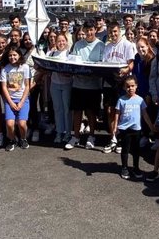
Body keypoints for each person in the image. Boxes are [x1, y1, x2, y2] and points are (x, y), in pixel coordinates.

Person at [65, 19, 104, 150]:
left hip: (94, 85)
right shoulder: (77, 44)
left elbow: (102, 65)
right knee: (77, 112)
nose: (88, 32)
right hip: (78, 84)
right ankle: (75, 136)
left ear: (95, 30)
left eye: (91, 30)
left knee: (91, 112)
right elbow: (73, 61)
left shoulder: (100, 45)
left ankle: (91, 136)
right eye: (86, 30)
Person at [102, 21, 136, 154]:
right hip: (109, 81)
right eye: (110, 31)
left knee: (122, 112)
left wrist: (125, 71)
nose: (113, 34)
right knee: (110, 111)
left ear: (119, 31)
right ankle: (113, 138)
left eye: (115, 31)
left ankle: (122, 139)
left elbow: (131, 64)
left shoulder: (127, 45)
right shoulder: (107, 47)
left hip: (122, 82)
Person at [115, 76, 154, 180]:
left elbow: (145, 114)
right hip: (124, 129)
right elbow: (117, 114)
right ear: (124, 87)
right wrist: (115, 128)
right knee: (125, 149)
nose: (130, 88)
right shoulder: (121, 100)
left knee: (136, 150)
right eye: (127, 86)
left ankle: (136, 167)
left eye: (132, 86)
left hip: (136, 129)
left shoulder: (140, 100)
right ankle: (124, 167)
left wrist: (151, 127)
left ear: (136, 86)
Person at [0, 46, 31, 150]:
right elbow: (4, 87)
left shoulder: (25, 67)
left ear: (19, 55)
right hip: (10, 100)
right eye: (10, 55)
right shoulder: (5, 69)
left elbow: (27, 86)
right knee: (9, 123)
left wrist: (21, 102)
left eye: (14, 55)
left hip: (23, 99)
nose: (12, 57)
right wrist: (11, 103)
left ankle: (23, 138)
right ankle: (12, 140)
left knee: (22, 124)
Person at [47, 33, 73, 145]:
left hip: (67, 83)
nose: (61, 43)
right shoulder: (51, 53)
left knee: (67, 109)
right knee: (57, 109)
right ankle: (59, 132)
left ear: (66, 42)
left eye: (63, 41)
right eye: (59, 41)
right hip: (55, 83)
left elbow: (73, 70)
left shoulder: (70, 54)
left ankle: (68, 133)